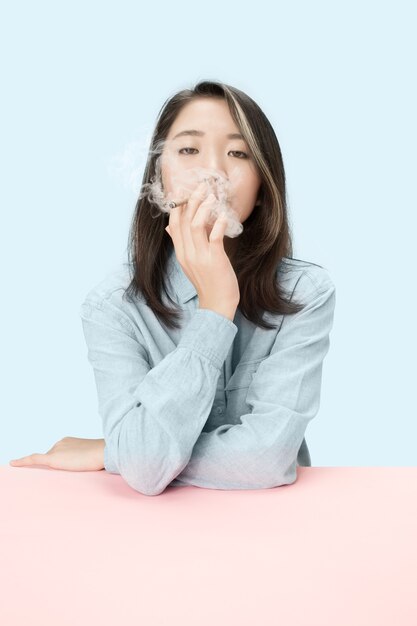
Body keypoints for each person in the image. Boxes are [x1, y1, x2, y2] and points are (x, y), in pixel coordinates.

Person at [9, 80, 336, 496]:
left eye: (238, 153)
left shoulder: (305, 293)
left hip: (275, 526)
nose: (213, 171)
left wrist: (120, 452)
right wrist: (216, 308)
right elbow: (146, 472)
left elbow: (264, 458)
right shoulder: (112, 308)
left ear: (262, 188)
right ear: (159, 178)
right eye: (188, 150)